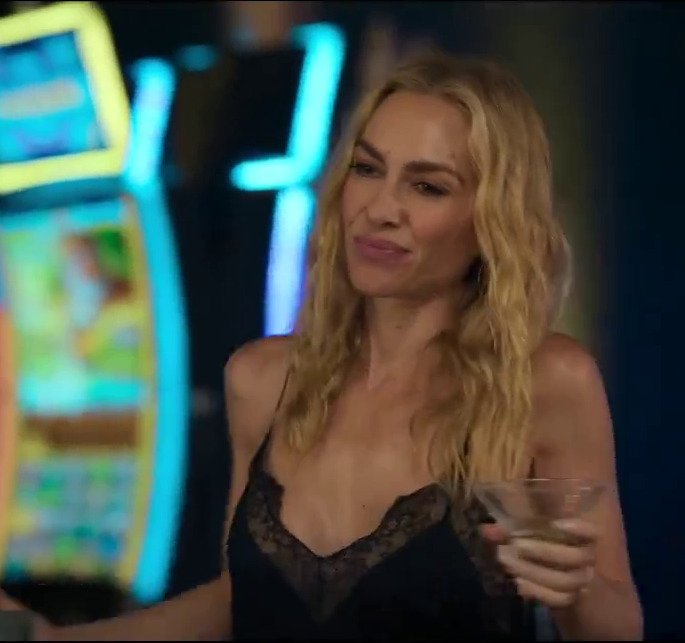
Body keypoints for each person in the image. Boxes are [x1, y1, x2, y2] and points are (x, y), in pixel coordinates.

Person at [0, 50, 642, 641]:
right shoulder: (262, 380)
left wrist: (576, 589)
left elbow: (619, 628)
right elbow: (240, 602)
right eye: (367, 169)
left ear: (490, 219)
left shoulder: (545, 381)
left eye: (427, 186)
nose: (380, 209)